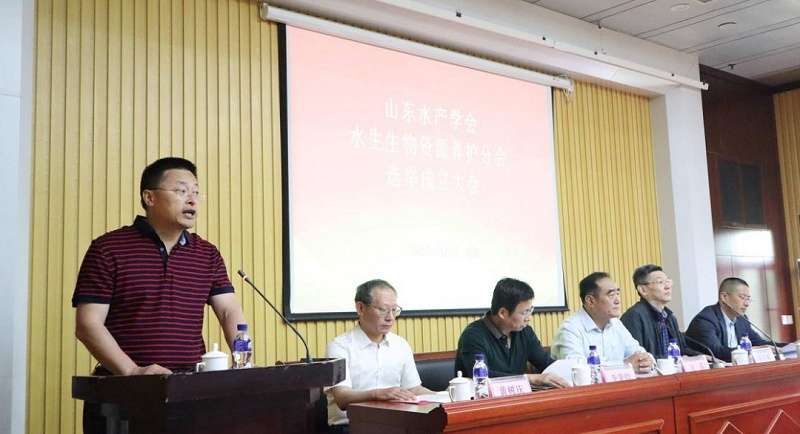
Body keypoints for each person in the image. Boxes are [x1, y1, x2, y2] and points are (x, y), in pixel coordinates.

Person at [72, 157, 246, 432]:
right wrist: (132, 371)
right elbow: (87, 324)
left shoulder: (207, 254)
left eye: (196, 192)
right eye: (181, 191)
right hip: (123, 393)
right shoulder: (108, 249)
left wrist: (242, 359)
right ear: (149, 197)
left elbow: (228, 310)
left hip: (189, 392)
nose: (192, 199)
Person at [325, 279, 433, 433]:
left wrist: (446, 395)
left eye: (394, 310)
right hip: (350, 427)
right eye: (383, 310)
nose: (390, 317)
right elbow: (342, 398)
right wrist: (378, 394)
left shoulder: (400, 345)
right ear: (361, 308)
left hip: (395, 425)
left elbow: (414, 389)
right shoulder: (340, 347)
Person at [454, 278, 569, 388]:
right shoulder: (473, 336)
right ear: (503, 313)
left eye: (530, 311)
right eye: (525, 312)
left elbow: (547, 363)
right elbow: (482, 378)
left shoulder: (525, 332)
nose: (528, 318)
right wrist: (531, 378)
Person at [551, 272, 654, 373]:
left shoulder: (616, 324)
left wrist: (646, 361)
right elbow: (576, 369)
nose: (618, 301)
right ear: (590, 301)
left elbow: (639, 353)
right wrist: (623, 365)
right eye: (611, 295)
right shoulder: (570, 328)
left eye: (618, 293)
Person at [685, 277, 783, 362]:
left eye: (748, 299)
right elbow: (716, 352)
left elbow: (760, 343)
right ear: (724, 297)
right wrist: (752, 351)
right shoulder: (705, 320)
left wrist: (788, 346)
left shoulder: (742, 319)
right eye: (742, 298)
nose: (747, 303)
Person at [621, 264, 704, 359]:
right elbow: (638, 357)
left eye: (668, 281)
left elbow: (682, 349)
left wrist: (701, 356)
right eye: (660, 282)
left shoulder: (669, 317)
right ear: (643, 290)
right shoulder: (634, 316)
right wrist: (674, 359)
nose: (668, 286)